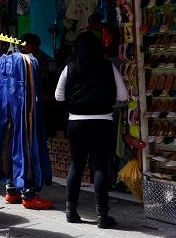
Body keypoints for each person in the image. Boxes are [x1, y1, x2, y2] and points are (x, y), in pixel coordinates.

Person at [54, 31, 127, 229]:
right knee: (100, 167)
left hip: (76, 122)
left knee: (76, 165)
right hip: (102, 121)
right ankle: (103, 216)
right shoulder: (108, 67)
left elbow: (58, 97)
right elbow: (122, 95)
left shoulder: (70, 68)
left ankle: (71, 211)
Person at [4, 33, 54, 210]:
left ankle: (12, 190)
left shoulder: (6, 61)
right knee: (28, 151)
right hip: (28, 114)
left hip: (10, 114)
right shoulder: (31, 62)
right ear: (31, 46)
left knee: (12, 150)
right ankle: (29, 194)